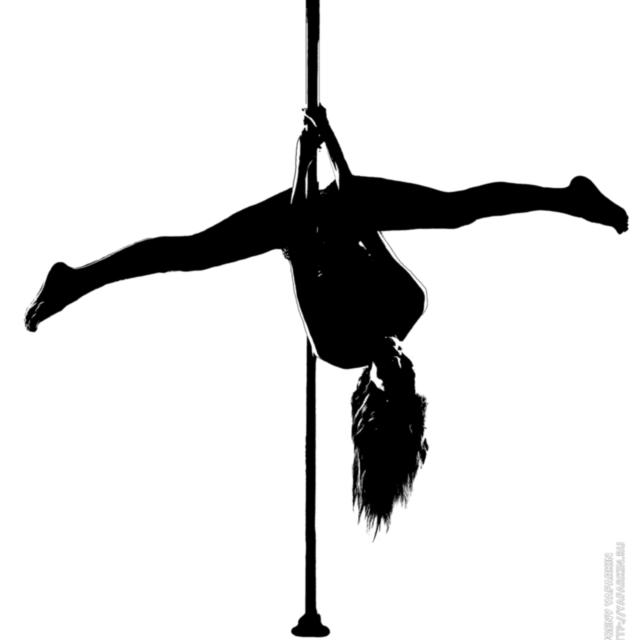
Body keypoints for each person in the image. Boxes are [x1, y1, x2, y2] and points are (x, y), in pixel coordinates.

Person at [24, 106, 628, 532]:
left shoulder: (336, 345)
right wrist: (331, 147)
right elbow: (364, 221)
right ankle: (569, 197)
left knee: (195, 254)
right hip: (347, 201)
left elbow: (296, 238)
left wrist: (301, 161)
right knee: (453, 211)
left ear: (370, 390)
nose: (399, 360)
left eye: (389, 375)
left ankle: (75, 281)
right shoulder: (408, 305)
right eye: (407, 371)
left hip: (298, 221)